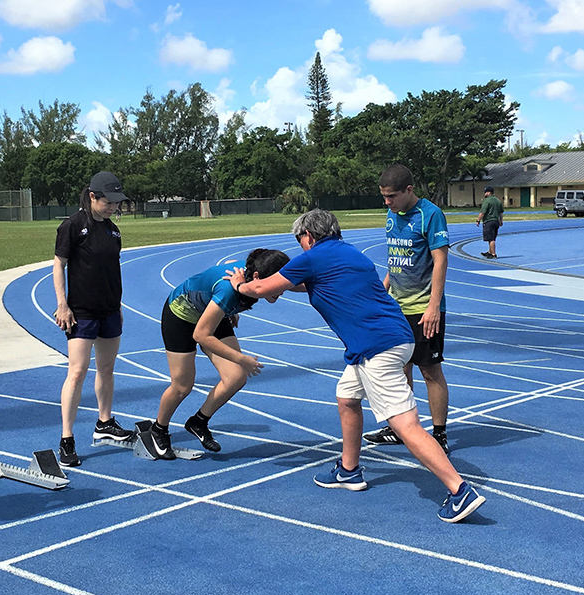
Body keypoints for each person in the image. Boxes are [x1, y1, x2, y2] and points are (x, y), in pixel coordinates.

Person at [228, 210, 485, 522]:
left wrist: (240, 285)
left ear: (309, 235)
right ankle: (348, 470)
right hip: (394, 337)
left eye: (299, 240)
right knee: (347, 397)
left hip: (376, 347)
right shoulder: (349, 254)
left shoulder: (314, 257)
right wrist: (271, 284)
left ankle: (459, 490)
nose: (300, 246)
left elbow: (262, 289)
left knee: (406, 425)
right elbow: (306, 284)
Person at [146, 249, 292, 460]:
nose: (280, 291)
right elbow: (201, 335)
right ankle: (158, 430)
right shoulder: (228, 292)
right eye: (276, 285)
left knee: (236, 377)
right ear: (257, 277)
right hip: (181, 315)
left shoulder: (250, 272)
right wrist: (241, 358)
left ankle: (198, 421)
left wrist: (226, 310)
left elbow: (230, 262)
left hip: (212, 312)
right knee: (182, 386)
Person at [364, 164, 451, 454]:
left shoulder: (431, 215)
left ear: (409, 190)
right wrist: (382, 290)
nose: (387, 202)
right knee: (400, 368)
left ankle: (439, 434)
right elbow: (397, 259)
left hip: (424, 308)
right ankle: (401, 428)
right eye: (384, 197)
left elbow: (440, 261)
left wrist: (433, 306)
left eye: (391, 196)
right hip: (396, 307)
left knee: (430, 370)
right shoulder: (392, 215)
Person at [53, 171, 134, 467]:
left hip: (110, 310)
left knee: (107, 368)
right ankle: (67, 438)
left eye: (116, 203)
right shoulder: (72, 226)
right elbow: (59, 265)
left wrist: (118, 305)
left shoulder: (114, 231)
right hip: (82, 312)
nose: (113, 207)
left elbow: (111, 270)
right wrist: (62, 305)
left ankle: (105, 422)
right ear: (92, 197)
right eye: (108, 202)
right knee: (77, 372)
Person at [476, 185, 504, 258]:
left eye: (485, 192)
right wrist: (501, 220)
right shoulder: (498, 201)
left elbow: (483, 212)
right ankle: (489, 251)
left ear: (489, 192)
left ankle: (493, 254)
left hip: (489, 221)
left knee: (491, 239)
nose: (484, 194)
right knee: (492, 237)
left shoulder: (487, 201)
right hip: (496, 221)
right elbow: (501, 212)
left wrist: (478, 220)